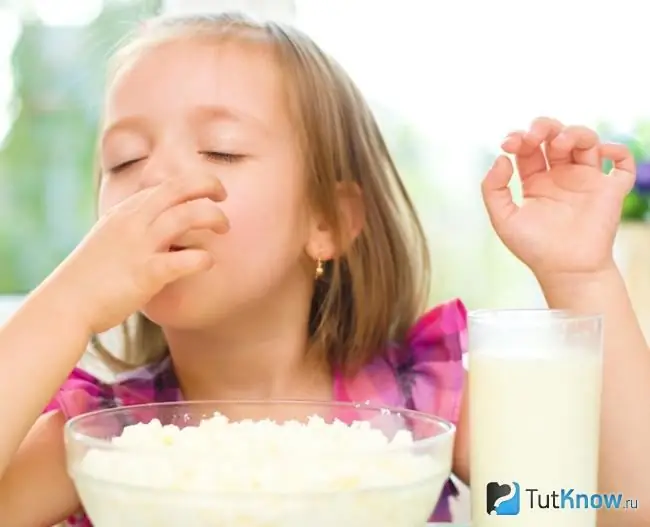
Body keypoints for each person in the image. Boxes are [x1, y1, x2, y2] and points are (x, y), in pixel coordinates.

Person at [0, 12, 647, 527]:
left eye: (221, 149)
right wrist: (71, 300)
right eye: (123, 160)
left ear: (328, 222)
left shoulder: (421, 408)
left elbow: (622, 504)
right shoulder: (99, 438)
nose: (156, 178)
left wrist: (582, 274)